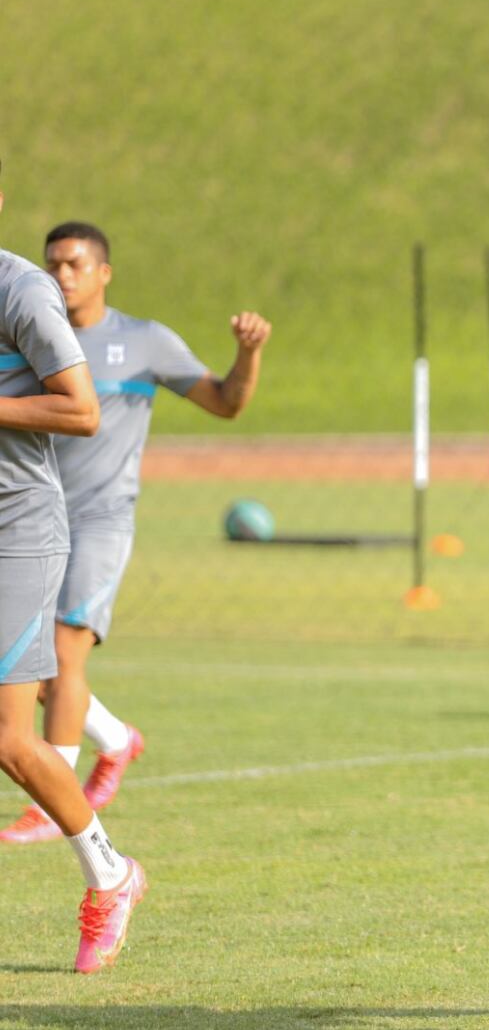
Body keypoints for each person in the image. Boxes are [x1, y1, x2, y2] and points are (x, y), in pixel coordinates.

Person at [0, 222, 270, 843]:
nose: (62, 274)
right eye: (53, 263)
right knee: (29, 670)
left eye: (74, 264)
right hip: (25, 517)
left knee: (65, 651)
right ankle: (116, 739)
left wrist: (248, 353)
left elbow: (226, 403)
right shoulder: (26, 328)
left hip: (99, 520)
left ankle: (52, 808)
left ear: (104, 273)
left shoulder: (145, 341)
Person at [0, 166, 146, 972]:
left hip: (16, 532)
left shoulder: (21, 291)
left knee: (12, 742)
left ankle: (110, 876)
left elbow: (81, 410)